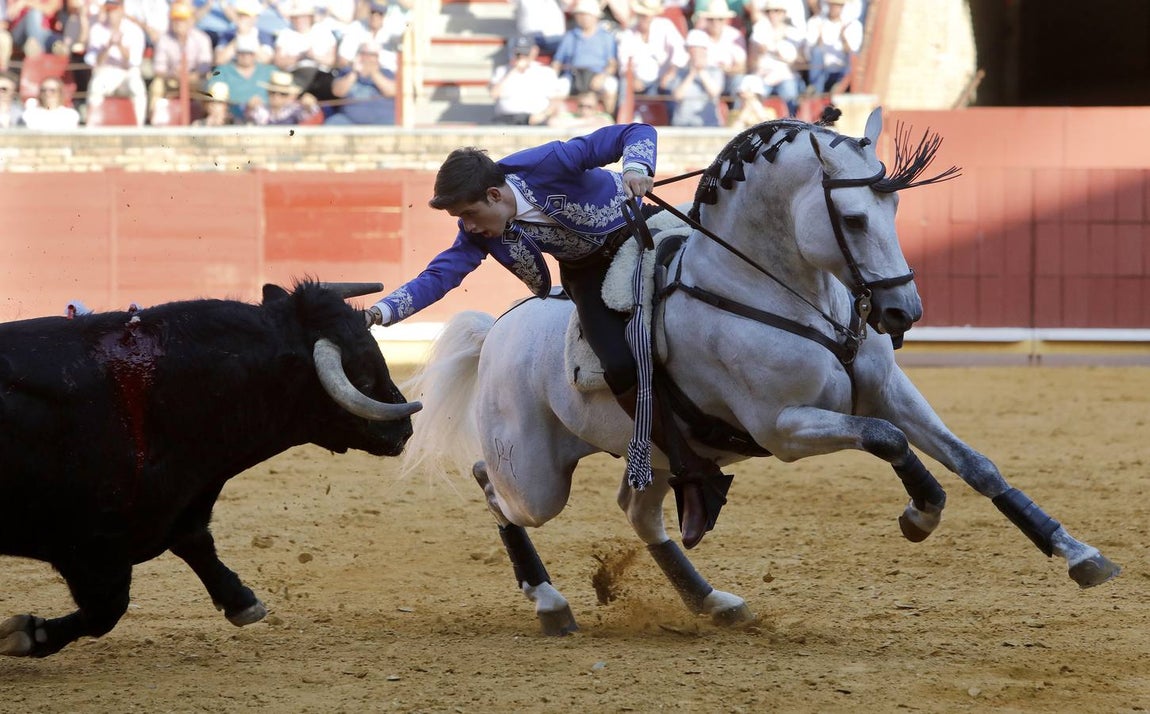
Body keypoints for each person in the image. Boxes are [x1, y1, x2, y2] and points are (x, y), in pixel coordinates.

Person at [364, 126, 725, 548]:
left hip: (644, 231)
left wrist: (636, 168)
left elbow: (634, 131)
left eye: (469, 214)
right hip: (590, 272)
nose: (468, 226)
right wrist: (379, 312)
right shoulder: (480, 231)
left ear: (495, 196)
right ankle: (689, 470)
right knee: (619, 364)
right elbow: (440, 275)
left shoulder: (546, 162)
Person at [148, 1, 213, 124]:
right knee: (156, 85)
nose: (178, 23)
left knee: (211, 86)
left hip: (195, 79)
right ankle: (153, 120)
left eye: (182, 20)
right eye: (176, 20)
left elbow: (205, 68)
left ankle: (208, 120)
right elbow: (159, 69)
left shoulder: (202, 38)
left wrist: (192, 76)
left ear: (191, 21)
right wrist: (173, 75)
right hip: (172, 79)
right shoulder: (164, 39)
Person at [83, 0, 147, 126]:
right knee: (95, 87)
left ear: (122, 10)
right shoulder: (97, 28)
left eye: (114, 10)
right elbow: (92, 61)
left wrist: (120, 46)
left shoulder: (134, 29)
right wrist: (108, 46)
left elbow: (134, 62)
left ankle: (140, 129)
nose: (111, 14)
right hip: (106, 71)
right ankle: (91, 129)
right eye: (109, 10)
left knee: (137, 87)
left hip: (127, 72)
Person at [551, 0, 619, 115]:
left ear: (595, 17)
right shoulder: (570, 36)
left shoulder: (606, 37)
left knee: (611, 86)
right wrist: (553, 75)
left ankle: (609, 118)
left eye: (586, 14)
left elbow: (612, 64)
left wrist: (602, 76)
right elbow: (557, 62)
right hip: (573, 76)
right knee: (558, 88)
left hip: (598, 74)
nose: (584, 18)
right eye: (580, 14)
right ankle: (554, 119)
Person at [615, 0, 686, 98]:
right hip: (638, 79)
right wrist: (633, 78)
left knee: (675, 86)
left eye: (647, 15)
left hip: (663, 78)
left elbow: (680, 49)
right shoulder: (628, 34)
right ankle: (624, 112)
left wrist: (672, 71)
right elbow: (624, 62)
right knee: (625, 84)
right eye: (642, 15)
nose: (645, 18)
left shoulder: (665, 26)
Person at [488, 34, 559, 126]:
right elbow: (494, 94)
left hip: (535, 118)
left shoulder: (546, 72)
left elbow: (556, 101)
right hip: (506, 119)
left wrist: (543, 115)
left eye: (525, 54)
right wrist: (513, 71)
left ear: (534, 51)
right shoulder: (502, 71)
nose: (522, 57)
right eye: (519, 54)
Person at [747, 0, 803, 115]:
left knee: (790, 92)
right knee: (751, 91)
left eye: (776, 11)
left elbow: (800, 61)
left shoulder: (793, 33)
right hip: (763, 76)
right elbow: (752, 62)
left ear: (783, 13)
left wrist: (784, 57)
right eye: (769, 11)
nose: (772, 14)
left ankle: (793, 123)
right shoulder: (759, 30)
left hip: (786, 76)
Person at [324, 39, 394, 125]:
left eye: (372, 55)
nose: (367, 58)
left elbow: (392, 92)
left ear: (377, 57)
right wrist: (354, 73)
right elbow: (337, 92)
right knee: (332, 124)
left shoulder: (386, 72)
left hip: (382, 120)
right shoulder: (347, 72)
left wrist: (374, 73)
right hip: (349, 120)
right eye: (364, 53)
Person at [211, 32, 273, 120]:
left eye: (249, 53)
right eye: (242, 52)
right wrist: (244, 106)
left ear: (255, 53)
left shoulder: (269, 71)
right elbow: (213, 98)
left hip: (267, 118)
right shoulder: (222, 71)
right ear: (236, 53)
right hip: (230, 118)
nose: (246, 56)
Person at [669, 28, 724, 127]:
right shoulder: (680, 72)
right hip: (683, 125)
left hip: (709, 124)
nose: (696, 53)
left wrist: (701, 71)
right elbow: (677, 96)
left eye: (699, 49)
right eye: (692, 49)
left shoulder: (715, 71)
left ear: (705, 50)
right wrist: (692, 73)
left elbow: (714, 93)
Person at [805, 0, 861, 93]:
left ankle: (840, 86)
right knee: (817, 51)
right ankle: (815, 89)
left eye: (838, 5)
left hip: (841, 71)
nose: (834, 8)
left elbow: (853, 52)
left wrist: (843, 37)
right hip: (823, 70)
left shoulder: (853, 24)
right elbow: (808, 52)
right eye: (832, 5)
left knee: (852, 55)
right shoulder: (817, 22)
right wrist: (819, 39)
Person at [243, 67, 318, 124]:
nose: (276, 96)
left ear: (289, 96)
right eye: (272, 92)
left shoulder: (294, 110)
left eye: (283, 94)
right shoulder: (261, 110)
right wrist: (250, 108)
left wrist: (309, 105)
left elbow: (311, 112)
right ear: (268, 92)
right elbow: (249, 118)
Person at [547, 90, 613, 130]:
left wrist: (572, 124)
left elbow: (609, 125)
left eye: (589, 107)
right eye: (581, 106)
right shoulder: (571, 115)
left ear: (595, 108)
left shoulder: (604, 116)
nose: (584, 109)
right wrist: (587, 121)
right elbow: (553, 123)